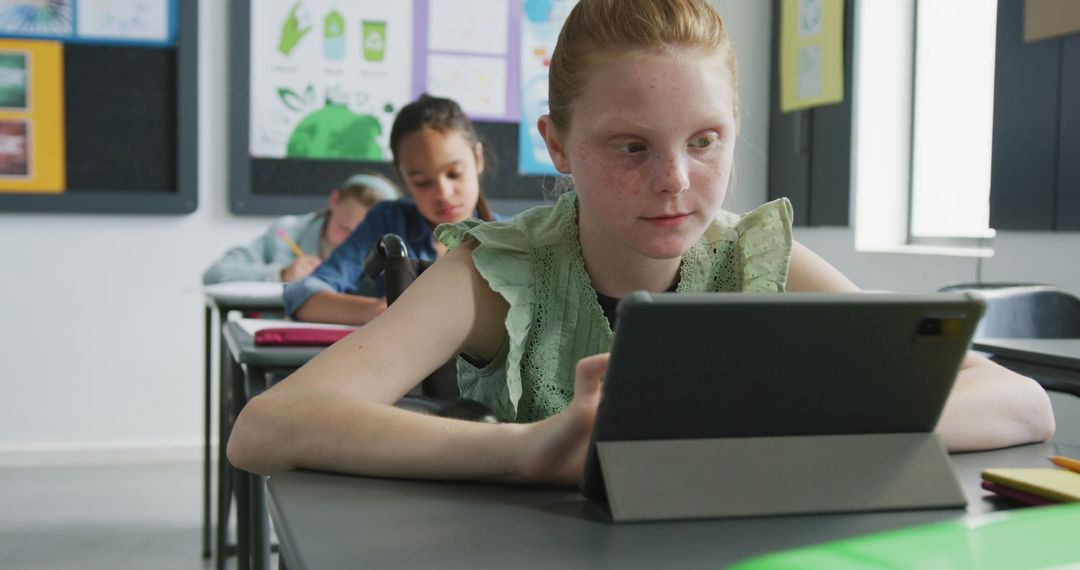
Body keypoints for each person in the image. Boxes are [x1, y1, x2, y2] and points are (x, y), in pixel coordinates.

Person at [229, 0, 1054, 483]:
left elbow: (1020, 402)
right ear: (557, 146)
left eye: (706, 141)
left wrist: (787, 425)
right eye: (631, 147)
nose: (676, 181)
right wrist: (529, 452)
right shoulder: (498, 271)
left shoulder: (754, 259)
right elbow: (270, 425)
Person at [283, 94, 499, 325]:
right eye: (422, 182)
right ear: (403, 179)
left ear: (477, 158)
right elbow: (303, 295)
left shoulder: (510, 237)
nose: (443, 192)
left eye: (454, 174)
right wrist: (375, 311)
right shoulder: (388, 222)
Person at [202, 173, 399, 284]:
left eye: (361, 236)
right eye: (344, 228)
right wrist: (281, 274)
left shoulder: (390, 252)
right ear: (334, 201)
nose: (348, 242)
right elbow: (215, 274)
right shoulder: (286, 233)